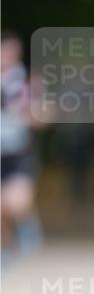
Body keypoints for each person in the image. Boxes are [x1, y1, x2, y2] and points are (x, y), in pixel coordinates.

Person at [1, 31, 43, 261]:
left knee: (17, 202)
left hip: (20, 152)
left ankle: (26, 223)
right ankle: (5, 250)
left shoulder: (29, 81)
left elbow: (46, 113)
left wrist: (31, 115)